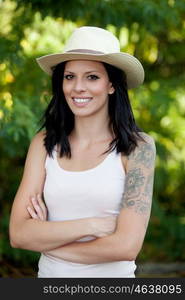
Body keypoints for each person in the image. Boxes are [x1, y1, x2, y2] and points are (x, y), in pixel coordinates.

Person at [9, 26, 156, 278]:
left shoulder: (138, 147)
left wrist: (47, 239)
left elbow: (127, 246)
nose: (78, 87)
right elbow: (19, 234)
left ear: (112, 84)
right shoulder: (44, 144)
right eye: (69, 77)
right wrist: (91, 226)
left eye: (92, 77)